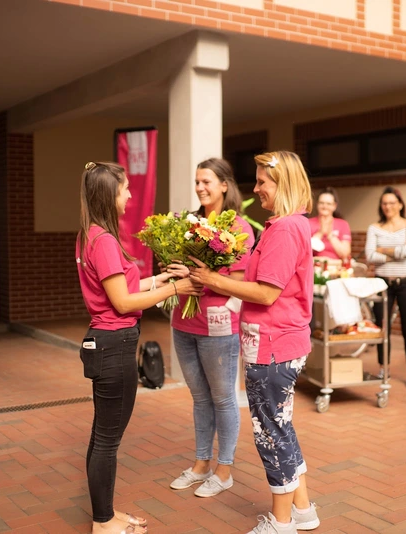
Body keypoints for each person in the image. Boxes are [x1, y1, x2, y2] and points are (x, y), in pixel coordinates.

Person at [189, 151, 320, 534]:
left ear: (284, 185)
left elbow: (265, 294)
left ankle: (280, 525)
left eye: (263, 181)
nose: (256, 188)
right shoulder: (290, 225)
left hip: (273, 347)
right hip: (282, 345)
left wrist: (212, 280)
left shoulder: (283, 230)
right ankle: (303, 511)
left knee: (271, 434)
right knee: (282, 426)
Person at [76, 161, 200, 534]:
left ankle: (107, 514)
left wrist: (157, 278)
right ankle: (103, 522)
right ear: (107, 194)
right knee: (107, 441)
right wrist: (175, 289)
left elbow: (121, 288)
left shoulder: (90, 236)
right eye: (125, 188)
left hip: (106, 343)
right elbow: (123, 303)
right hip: (114, 346)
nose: (130, 194)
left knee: (102, 436)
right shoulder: (105, 241)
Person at [168, 158, 255, 498]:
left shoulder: (240, 229)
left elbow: (240, 281)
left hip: (218, 325)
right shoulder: (188, 225)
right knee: (200, 398)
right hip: (183, 322)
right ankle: (202, 463)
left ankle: (225, 469)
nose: (200, 188)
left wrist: (205, 277)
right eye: (197, 182)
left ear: (224, 185)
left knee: (222, 398)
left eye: (207, 181)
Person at [365, 186, 406, 389]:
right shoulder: (374, 227)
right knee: (382, 328)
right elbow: (369, 256)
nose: (388, 206)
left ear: (400, 204)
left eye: (391, 202)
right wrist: (396, 251)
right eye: (384, 203)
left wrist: (382, 249)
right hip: (382, 283)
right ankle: (383, 369)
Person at [309, 187, 352, 260]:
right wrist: (320, 233)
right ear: (317, 204)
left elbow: (345, 254)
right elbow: (304, 252)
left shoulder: (343, 224)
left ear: (334, 206)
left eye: (328, 204)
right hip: (314, 265)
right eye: (321, 203)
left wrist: (330, 235)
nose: (324, 206)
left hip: (336, 267)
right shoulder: (308, 223)